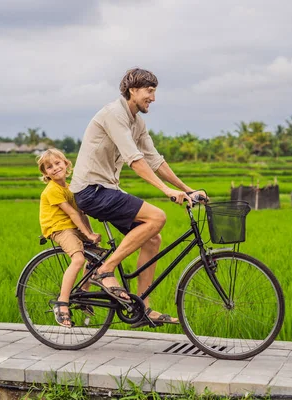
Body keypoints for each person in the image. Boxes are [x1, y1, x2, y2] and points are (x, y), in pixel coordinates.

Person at [70, 68, 205, 328]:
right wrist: (166, 191)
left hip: (106, 188)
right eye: (149, 91)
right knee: (157, 216)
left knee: (153, 238)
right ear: (133, 90)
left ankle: (143, 305)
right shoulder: (114, 115)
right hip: (90, 190)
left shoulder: (137, 122)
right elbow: (135, 160)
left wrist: (187, 189)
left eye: (154, 92)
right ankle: (104, 270)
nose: (153, 98)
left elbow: (155, 159)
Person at [37, 148, 101, 328]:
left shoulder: (71, 187)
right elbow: (72, 213)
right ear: (45, 173)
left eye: (58, 163)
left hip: (73, 226)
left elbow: (81, 213)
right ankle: (62, 302)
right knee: (79, 258)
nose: (55, 168)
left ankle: (83, 293)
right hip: (59, 228)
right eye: (49, 167)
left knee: (97, 256)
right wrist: (87, 234)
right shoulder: (52, 190)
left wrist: (90, 233)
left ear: (66, 164)